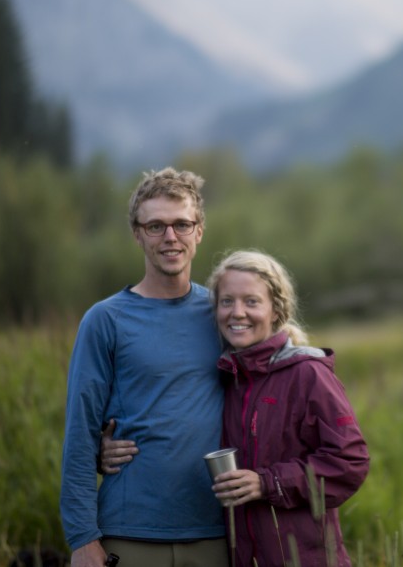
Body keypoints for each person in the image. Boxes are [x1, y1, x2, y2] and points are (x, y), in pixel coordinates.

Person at [101, 250, 370, 567]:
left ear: (276, 310)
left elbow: (350, 461)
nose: (237, 312)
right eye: (226, 301)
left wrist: (267, 482)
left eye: (251, 301)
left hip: (304, 558)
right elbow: (176, 424)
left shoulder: (308, 374)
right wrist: (103, 451)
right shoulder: (226, 377)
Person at [60, 167, 228, 567]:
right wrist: (82, 538)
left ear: (199, 230)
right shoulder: (105, 321)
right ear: (137, 233)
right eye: (155, 226)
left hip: (217, 531)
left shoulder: (224, 315)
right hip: (130, 532)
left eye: (182, 224)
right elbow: (80, 433)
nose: (170, 237)